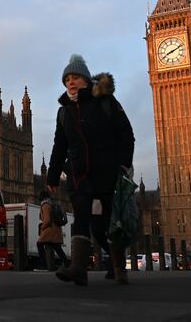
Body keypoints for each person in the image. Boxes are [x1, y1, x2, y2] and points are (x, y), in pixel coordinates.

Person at [47, 54, 135, 286]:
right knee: (81, 217)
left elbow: (126, 134)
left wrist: (124, 164)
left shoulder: (105, 101)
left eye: (75, 77)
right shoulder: (63, 111)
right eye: (67, 79)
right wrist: (53, 174)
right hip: (79, 173)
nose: (71, 82)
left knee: (107, 221)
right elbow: (60, 144)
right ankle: (78, 268)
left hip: (107, 172)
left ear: (86, 80)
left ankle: (118, 267)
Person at [36, 190, 69, 271]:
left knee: (39, 244)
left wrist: (42, 227)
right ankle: (68, 264)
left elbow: (47, 220)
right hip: (57, 230)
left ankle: (43, 266)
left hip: (50, 230)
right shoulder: (51, 204)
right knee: (57, 248)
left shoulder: (45, 205)